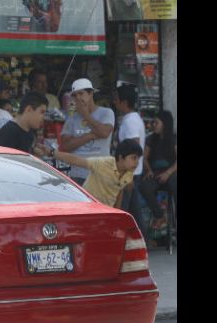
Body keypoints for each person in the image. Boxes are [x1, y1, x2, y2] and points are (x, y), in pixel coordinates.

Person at [49, 138, 142, 208]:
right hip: (86, 206)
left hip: (105, 211)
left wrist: (116, 212)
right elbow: (76, 160)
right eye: (134, 158)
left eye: (138, 158)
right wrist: (52, 152)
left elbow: (119, 190)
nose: (137, 162)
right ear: (121, 157)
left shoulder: (129, 173)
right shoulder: (103, 163)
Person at [60, 78, 115, 185]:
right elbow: (65, 145)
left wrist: (85, 115)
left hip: (100, 173)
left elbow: (104, 133)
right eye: (75, 95)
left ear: (91, 94)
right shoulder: (72, 117)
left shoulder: (106, 113)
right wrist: (90, 136)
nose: (78, 98)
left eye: (81, 93)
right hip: (77, 174)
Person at [113, 83, 147, 234]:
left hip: (130, 175)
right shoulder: (131, 119)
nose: (114, 102)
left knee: (124, 211)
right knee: (133, 212)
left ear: (124, 102)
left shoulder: (130, 121)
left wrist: (128, 176)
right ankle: (141, 240)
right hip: (131, 173)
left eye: (116, 99)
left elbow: (134, 149)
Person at [139, 110, 177, 230]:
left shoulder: (174, 138)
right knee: (144, 186)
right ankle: (159, 215)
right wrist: (149, 170)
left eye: (156, 122)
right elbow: (144, 158)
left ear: (165, 123)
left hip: (171, 172)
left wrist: (168, 173)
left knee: (174, 184)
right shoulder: (151, 139)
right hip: (155, 172)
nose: (153, 125)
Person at [0, 91, 49, 156]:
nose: (44, 117)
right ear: (29, 109)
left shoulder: (30, 131)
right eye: (42, 112)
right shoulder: (9, 133)